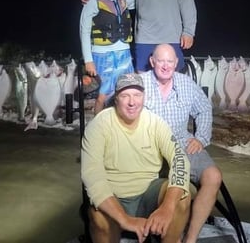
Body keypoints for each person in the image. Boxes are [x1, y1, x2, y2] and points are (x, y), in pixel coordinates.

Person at [80, 73, 191, 243]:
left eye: (137, 95)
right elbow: (92, 178)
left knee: (182, 198)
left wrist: (167, 208)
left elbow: (179, 159)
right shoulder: (99, 125)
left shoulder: (155, 122)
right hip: (113, 195)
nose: (132, 102)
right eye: (125, 96)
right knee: (98, 216)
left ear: (144, 97)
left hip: (148, 193)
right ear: (116, 99)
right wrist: (125, 220)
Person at [139, 44, 223, 243]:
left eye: (170, 61)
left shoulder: (186, 84)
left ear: (177, 63)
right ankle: (168, 233)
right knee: (172, 190)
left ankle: (190, 238)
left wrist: (200, 137)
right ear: (152, 62)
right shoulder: (140, 83)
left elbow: (204, 109)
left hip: (183, 143)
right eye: (161, 61)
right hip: (150, 149)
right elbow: (118, 105)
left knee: (213, 176)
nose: (166, 66)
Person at [79, 0, 135, 115]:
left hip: (124, 54)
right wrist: (88, 60)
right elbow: (84, 30)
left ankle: (122, 129)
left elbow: (145, 1)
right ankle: (98, 131)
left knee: (125, 93)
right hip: (101, 56)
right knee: (102, 97)